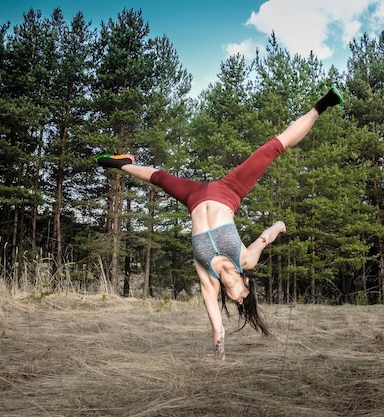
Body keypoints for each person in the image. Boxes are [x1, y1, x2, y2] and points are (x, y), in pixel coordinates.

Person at [96, 86, 343, 360]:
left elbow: (217, 326)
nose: (238, 301)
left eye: (237, 303)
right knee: (272, 148)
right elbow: (265, 238)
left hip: (195, 198)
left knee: (159, 178)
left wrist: (219, 358)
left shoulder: (209, 282)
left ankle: (122, 164)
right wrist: (278, 226)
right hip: (229, 192)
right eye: (242, 299)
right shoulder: (245, 262)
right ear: (246, 284)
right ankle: (323, 105)